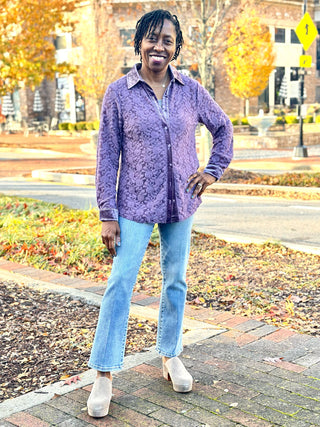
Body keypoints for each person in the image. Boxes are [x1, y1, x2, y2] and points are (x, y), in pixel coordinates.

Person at [87, 9, 233, 418]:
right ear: (138, 44)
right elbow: (107, 156)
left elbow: (223, 128)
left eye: (167, 40)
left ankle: (170, 355)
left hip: (181, 202)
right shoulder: (119, 92)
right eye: (152, 39)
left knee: (176, 281)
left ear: (176, 47)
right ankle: (104, 373)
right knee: (120, 283)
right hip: (132, 204)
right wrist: (107, 212)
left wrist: (212, 170)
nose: (159, 46)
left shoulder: (191, 89)